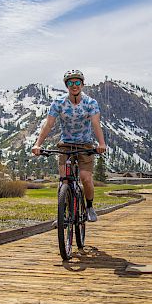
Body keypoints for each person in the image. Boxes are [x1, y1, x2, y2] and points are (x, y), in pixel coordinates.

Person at [32, 69, 106, 222]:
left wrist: (101, 143)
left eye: (77, 82)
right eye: (71, 83)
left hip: (85, 145)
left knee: (85, 178)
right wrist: (38, 144)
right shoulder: (59, 103)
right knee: (64, 179)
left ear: (82, 84)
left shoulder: (91, 103)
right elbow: (49, 124)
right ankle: (63, 214)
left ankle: (90, 206)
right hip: (66, 145)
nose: (74, 85)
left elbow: (95, 123)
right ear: (66, 86)